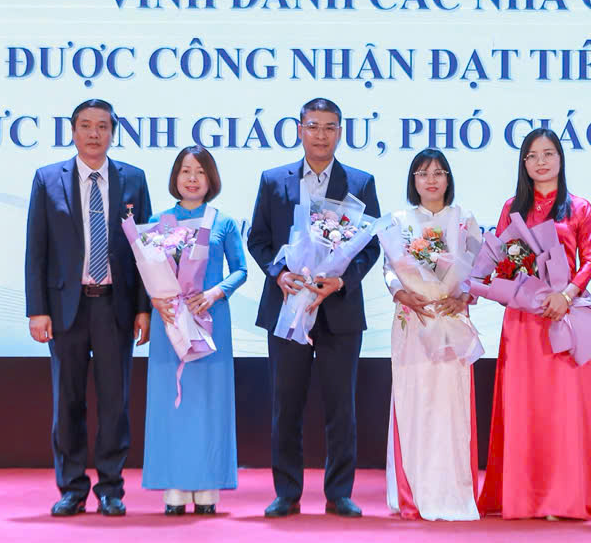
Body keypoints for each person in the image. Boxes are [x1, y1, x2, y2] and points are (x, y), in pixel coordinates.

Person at [247, 98, 381, 518]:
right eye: (313, 126)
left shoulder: (360, 182)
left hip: (338, 308)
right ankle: (286, 492)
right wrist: (278, 274)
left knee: (341, 407)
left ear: (340, 132)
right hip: (288, 308)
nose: (321, 135)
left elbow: (371, 246)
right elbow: (258, 239)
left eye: (329, 127)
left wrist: (342, 280)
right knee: (286, 406)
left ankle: (339, 493)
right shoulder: (274, 181)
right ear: (299, 129)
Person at [25, 99, 152, 517]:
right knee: (68, 402)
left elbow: (145, 250)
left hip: (115, 306)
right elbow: (36, 250)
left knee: (116, 403)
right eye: (86, 125)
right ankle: (73, 488)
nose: (94, 133)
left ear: (113, 133)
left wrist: (144, 308)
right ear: (73, 131)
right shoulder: (48, 179)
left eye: (102, 126)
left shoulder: (133, 179)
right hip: (67, 307)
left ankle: (111, 488)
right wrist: (37, 309)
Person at [477, 128, 591, 520]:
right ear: (524, 163)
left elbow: (590, 260)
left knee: (562, 411)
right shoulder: (512, 207)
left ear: (560, 159)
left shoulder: (579, 207)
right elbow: (500, 259)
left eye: (548, 153)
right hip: (522, 321)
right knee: (524, 409)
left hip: (563, 317)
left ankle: (562, 498)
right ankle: (523, 496)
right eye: (533, 155)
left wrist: (565, 294)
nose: (541, 162)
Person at [142, 146, 247, 516]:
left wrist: (216, 292)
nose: (192, 178)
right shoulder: (160, 220)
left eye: (200, 171)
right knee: (172, 401)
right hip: (170, 320)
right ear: (175, 177)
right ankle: (173, 485)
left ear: (210, 178)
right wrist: (157, 297)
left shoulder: (223, 222)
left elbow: (240, 269)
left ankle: (207, 486)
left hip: (210, 319)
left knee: (208, 403)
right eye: (185, 170)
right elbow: (148, 269)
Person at [382, 149, 481, 521]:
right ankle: (412, 490)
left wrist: (464, 294)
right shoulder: (398, 221)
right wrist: (400, 292)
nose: (431, 180)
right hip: (414, 319)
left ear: (448, 178)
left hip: (451, 320)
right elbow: (388, 268)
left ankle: (454, 488)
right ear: (414, 181)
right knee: (414, 399)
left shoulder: (464, 219)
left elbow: (477, 270)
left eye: (439, 173)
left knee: (451, 403)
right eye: (423, 174)